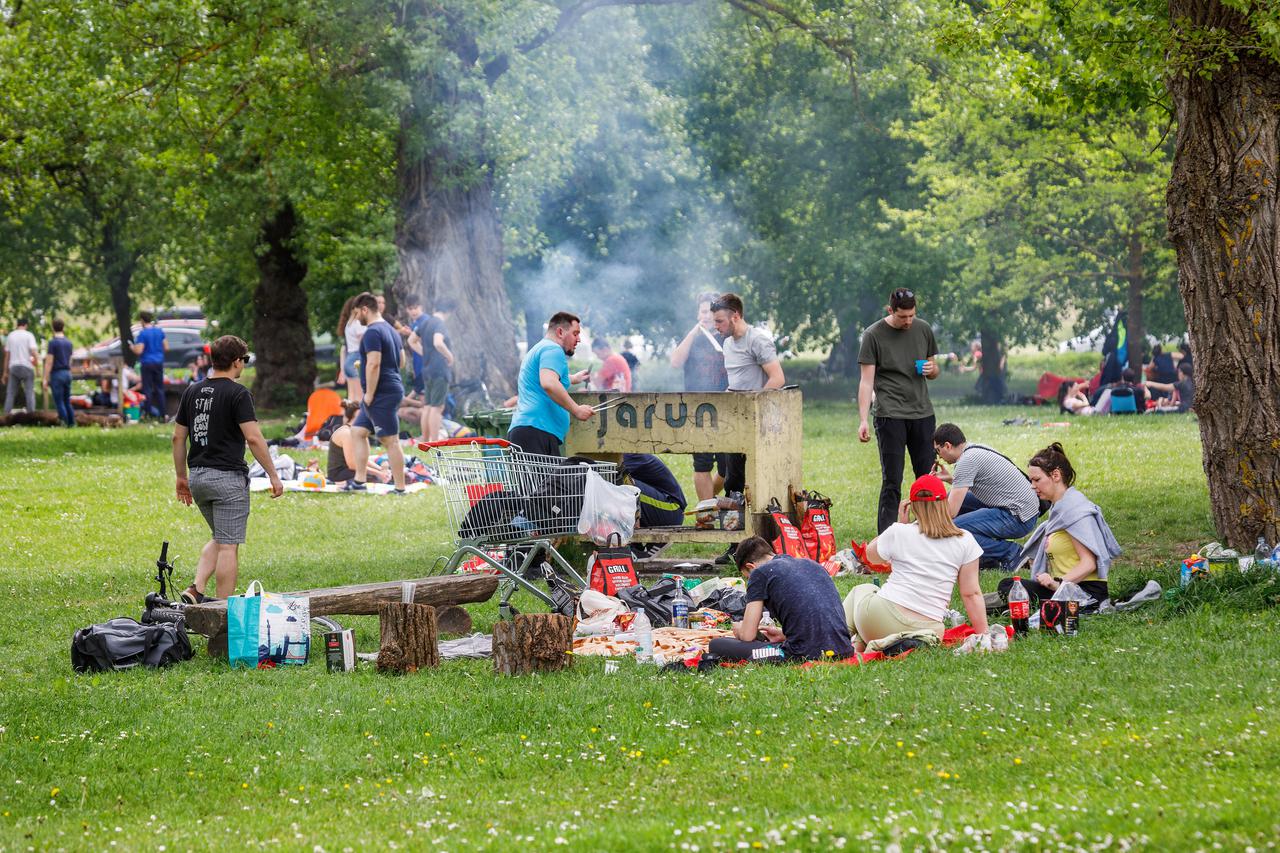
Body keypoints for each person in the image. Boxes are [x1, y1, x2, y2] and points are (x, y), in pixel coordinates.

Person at [173, 335, 283, 603]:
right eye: (244, 359)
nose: (244, 364)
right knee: (228, 547)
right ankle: (224, 610)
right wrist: (273, 474)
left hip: (198, 477)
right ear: (236, 361)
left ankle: (196, 589)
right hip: (227, 479)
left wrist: (181, 477)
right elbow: (253, 438)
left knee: (221, 537)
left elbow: (178, 438)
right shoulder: (238, 393)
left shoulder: (192, 392)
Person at [842, 474, 987, 650]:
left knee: (863, 590)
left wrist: (898, 525)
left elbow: (869, 555)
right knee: (876, 615)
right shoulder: (966, 540)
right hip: (929, 628)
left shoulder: (899, 532)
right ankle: (879, 643)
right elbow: (971, 593)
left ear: (912, 506)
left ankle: (838, 639)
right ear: (944, 503)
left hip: (880, 617)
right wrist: (983, 635)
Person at [999, 442, 1121, 609]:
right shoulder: (1060, 511)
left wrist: (1057, 583)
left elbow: (1089, 563)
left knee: (1010, 588)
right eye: (1031, 480)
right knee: (1011, 587)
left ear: (1055, 475)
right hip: (1064, 588)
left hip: (1085, 593)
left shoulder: (1075, 511)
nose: (1032, 486)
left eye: (1037, 480)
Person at [858, 288, 940, 533]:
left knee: (927, 478)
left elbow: (934, 369)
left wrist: (932, 370)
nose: (908, 321)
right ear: (890, 310)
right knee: (892, 480)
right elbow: (866, 381)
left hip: (922, 413)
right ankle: (887, 536)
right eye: (903, 316)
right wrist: (863, 419)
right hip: (889, 415)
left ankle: (931, 530)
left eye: (912, 315)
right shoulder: (873, 335)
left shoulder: (923, 329)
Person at [706, 536, 854, 663]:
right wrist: (783, 635)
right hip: (843, 648)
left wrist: (740, 629)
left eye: (747, 576)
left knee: (717, 645)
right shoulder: (812, 564)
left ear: (751, 566)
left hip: (803, 653)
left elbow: (748, 636)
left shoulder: (759, 573)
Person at [711, 292, 785, 512]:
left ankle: (762, 527)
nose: (716, 326)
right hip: (735, 421)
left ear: (735, 316)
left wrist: (754, 404)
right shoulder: (727, 344)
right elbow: (737, 382)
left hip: (759, 421)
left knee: (758, 479)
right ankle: (735, 531)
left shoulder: (757, 340)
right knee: (733, 480)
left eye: (719, 321)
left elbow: (778, 378)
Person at [932, 423, 1039, 571]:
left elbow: (950, 512)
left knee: (953, 529)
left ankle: (1012, 553)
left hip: (1018, 517)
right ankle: (984, 555)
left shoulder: (966, 461)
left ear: (948, 446)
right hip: (1024, 509)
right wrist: (951, 479)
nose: (939, 457)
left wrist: (924, 525)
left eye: (938, 451)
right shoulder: (974, 449)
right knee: (953, 498)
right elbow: (979, 487)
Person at [506, 311, 594, 457]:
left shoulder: (541, 348)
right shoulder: (553, 349)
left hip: (530, 431)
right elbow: (549, 383)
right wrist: (577, 410)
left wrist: (574, 378)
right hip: (536, 432)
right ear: (560, 332)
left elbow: (546, 377)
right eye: (575, 333)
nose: (578, 339)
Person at [670, 291, 730, 501]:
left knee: (727, 468)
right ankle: (706, 512)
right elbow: (675, 362)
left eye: (710, 312)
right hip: (698, 409)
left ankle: (708, 502)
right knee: (702, 464)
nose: (706, 316)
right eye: (703, 311)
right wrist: (694, 331)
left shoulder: (727, 337)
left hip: (726, 408)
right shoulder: (692, 338)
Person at [347, 292, 406, 493]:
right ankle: (359, 481)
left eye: (357, 314)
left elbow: (374, 363)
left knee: (390, 440)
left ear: (365, 309)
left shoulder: (372, 332)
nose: (357, 319)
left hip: (381, 393)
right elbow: (401, 361)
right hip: (389, 388)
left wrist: (369, 394)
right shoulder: (391, 330)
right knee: (358, 431)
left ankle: (400, 488)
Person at [408, 297, 455, 442]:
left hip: (427, 369)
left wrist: (425, 353)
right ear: (449, 311)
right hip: (439, 370)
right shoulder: (439, 324)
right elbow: (438, 342)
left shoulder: (425, 322)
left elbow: (411, 340)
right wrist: (449, 356)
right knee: (437, 407)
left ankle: (425, 439)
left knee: (428, 406)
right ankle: (434, 442)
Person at [327, 400, 391, 485]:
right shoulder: (347, 433)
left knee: (387, 477)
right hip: (340, 474)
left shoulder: (357, 432)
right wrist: (378, 474)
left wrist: (380, 470)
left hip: (351, 471)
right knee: (376, 478)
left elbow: (363, 460)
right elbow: (352, 465)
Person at [621, 453, 686, 527]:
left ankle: (633, 529)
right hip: (663, 506)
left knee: (624, 483)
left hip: (672, 509)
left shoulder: (627, 455)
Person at [131, 311, 168, 419]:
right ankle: (163, 414)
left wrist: (132, 348)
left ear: (142, 320)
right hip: (158, 362)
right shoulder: (159, 331)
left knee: (147, 389)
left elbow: (139, 350)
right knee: (159, 388)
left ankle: (148, 414)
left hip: (147, 363)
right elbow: (166, 347)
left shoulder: (143, 334)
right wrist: (158, 353)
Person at [43, 319, 75, 427]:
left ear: (52, 328)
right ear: (63, 327)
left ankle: (64, 423)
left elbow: (49, 362)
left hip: (57, 374)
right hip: (67, 373)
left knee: (59, 401)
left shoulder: (53, 343)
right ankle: (72, 423)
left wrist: (45, 378)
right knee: (67, 400)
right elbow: (70, 360)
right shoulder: (69, 343)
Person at [3, 318, 38, 414]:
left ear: (17, 325)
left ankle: (6, 415)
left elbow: (7, 356)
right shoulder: (29, 335)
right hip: (27, 366)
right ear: (26, 325)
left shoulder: (11, 336)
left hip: (14, 367)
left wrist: (5, 372)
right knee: (29, 393)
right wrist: (37, 367)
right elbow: (34, 352)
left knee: (10, 393)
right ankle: (31, 415)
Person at [337, 295, 365, 402]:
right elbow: (362, 342)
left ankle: (348, 413)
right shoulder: (358, 323)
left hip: (349, 359)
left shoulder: (349, 324)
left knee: (351, 398)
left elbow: (344, 348)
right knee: (359, 399)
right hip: (357, 358)